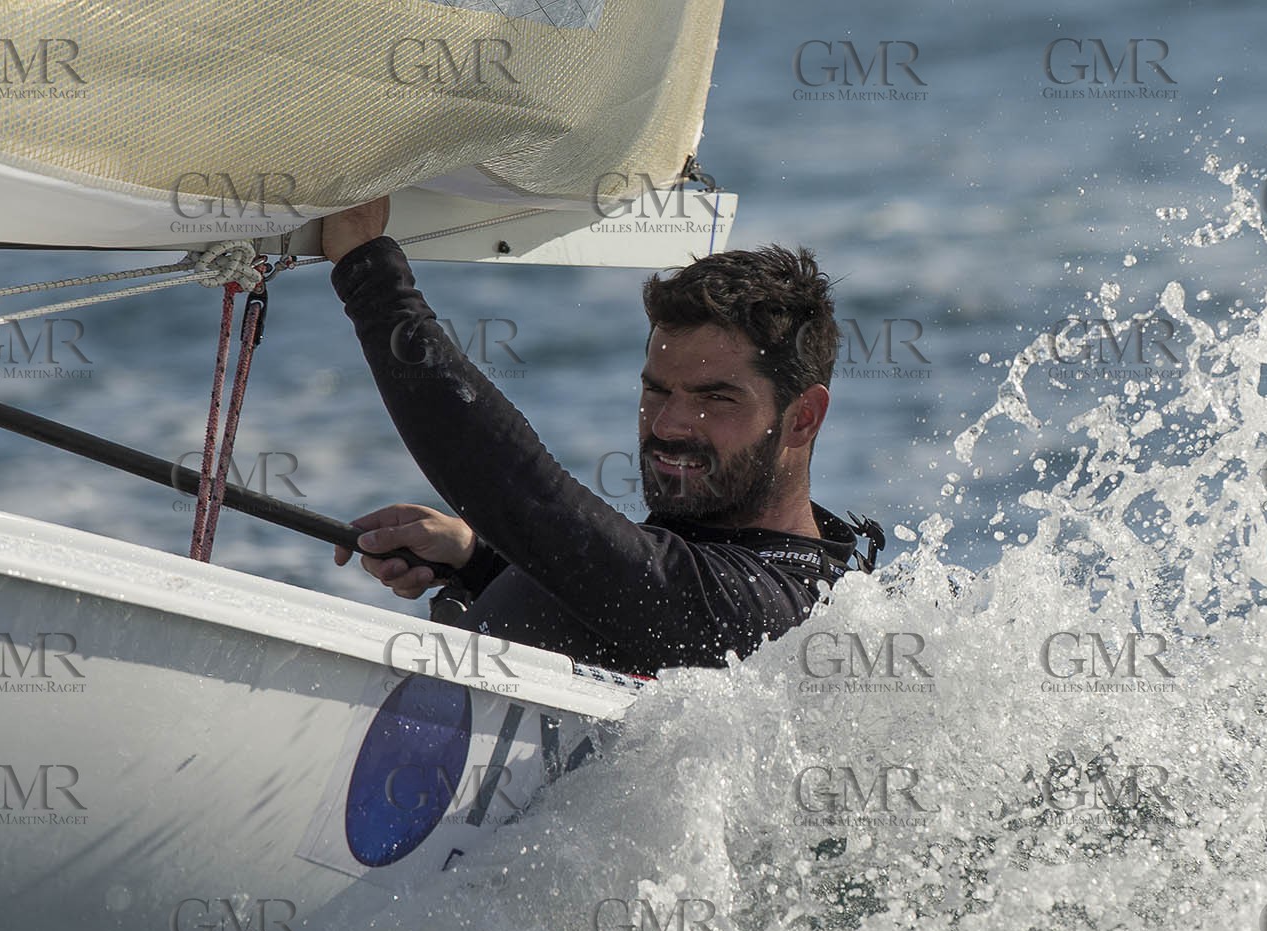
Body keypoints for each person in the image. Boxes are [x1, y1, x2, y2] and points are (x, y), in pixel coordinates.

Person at [324, 198, 881, 677]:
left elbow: (526, 495)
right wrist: (479, 561)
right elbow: (608, 591)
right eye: (658, 391)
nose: (667, 427)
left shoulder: (770, 615)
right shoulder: (700, 574)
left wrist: (367, 271)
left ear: (802, 417)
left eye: (715, 398)